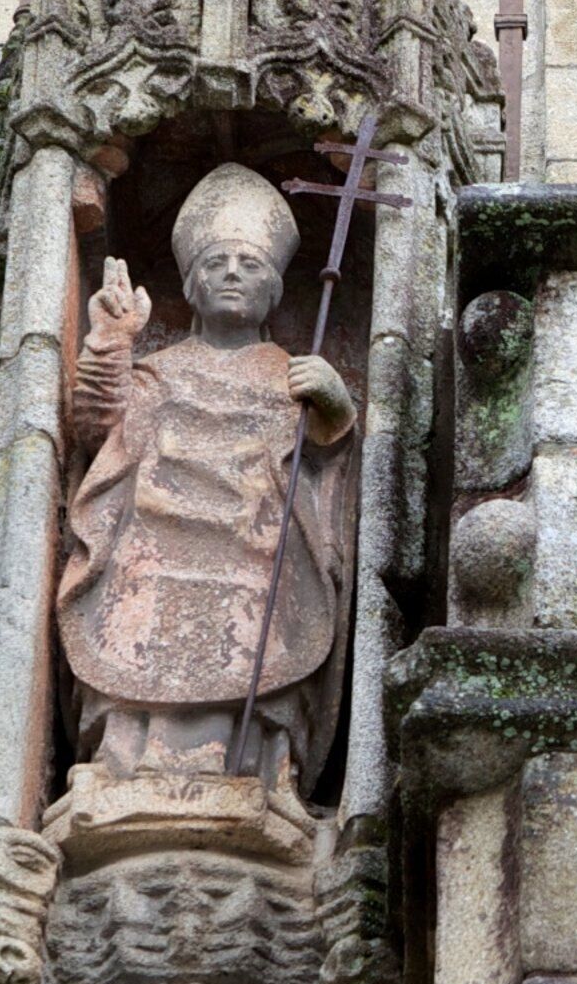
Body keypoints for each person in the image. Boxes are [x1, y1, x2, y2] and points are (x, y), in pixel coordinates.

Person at [58, 160, 359, 796]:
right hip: (153, 546)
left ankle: (256, 771)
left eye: (250, 266)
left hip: (255, 549)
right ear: (190, 287)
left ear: (274, 292)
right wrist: (112, 342)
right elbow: (97, 429)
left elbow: (329, 470)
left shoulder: (290, 376)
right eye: (216, 263)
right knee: (134, 623)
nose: (231, 274)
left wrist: (336, 408)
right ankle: (123, 763)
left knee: (260, 639)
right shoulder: (156, 373)